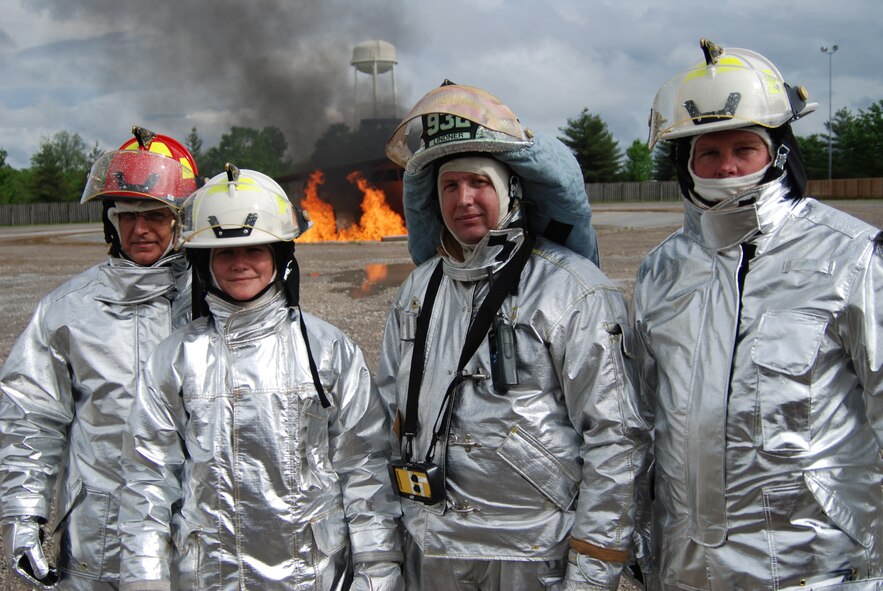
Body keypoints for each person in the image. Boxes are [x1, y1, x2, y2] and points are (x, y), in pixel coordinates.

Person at [377, 81, 649, 591]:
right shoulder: (418, 290)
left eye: (478, 182)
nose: (464, 199)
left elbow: (616, 439)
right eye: (450, 186)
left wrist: (593, 571)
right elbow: (385, 419)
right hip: (431, 550)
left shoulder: (574, 290)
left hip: (534, 554)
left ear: (511, 190)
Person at [632, 38, 883, 590]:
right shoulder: (661, 271)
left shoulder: (851, 257)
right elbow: (644, 418)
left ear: (779, 152)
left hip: (816, 566)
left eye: (744, 148)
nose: (726, 166)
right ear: (686, 164)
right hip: (687, 566)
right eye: (708, 152)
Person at [117, 164, 404, 591]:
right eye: (224, 253)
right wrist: (145, 575)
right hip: (208, 578)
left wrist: (377, 567)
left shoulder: (328, 351)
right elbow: (148, 476)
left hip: (313, 577)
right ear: (205, 262)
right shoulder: (175, 358)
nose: (240, 264)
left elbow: (364, 466)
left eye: (254, 250)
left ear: (280, 256)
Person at [0, 126, 199, 590]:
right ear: (111, 221)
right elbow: (31, 417)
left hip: (201, 538)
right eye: (126, 215)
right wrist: (25, 516)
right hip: (101, 538)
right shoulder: (66, 311)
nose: (140, 229)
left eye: (155, 214)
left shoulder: (216, 305)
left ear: (181, 218)